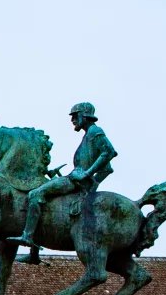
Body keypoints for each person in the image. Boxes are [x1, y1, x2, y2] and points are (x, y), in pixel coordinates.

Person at [17, 101, 117, 256]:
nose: (73, 120)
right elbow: (108, 169)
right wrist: (93, 182)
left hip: (75, 179)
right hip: (75, 178)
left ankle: (27, 236)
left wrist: (87, 174)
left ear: (84, 116)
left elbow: (109, 152)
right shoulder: (89, 135)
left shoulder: (95, 131)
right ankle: (33, 254)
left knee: (35, 195)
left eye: (75, 116)